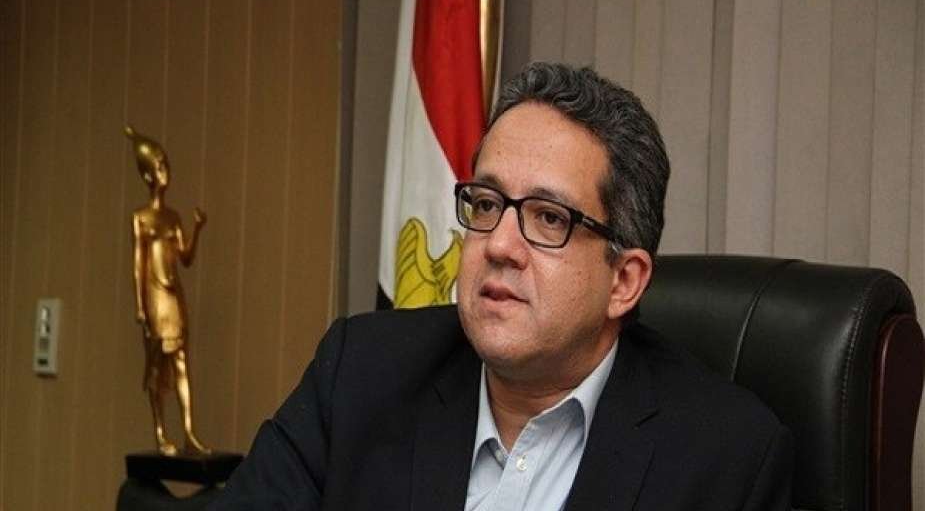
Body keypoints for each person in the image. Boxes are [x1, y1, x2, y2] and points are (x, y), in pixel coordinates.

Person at [209, 62, 793, 510]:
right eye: (487, 204)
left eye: (549, 218)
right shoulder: (360, 373)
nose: (499, 245)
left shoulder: (726, 458)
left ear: (624, 281)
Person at [128, 125, 211, 456]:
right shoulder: (142, 218)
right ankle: (160, 430)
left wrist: (197, 229)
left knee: (181, 362)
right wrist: (140, 306)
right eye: (159, 166)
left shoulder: (173, 217)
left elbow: (186, 257)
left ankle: (189, 431)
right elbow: (139, 265)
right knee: (156, 366)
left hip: (173, 295)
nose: (165, 171)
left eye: (165, 164)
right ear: (148, 176)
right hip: (154, 297)